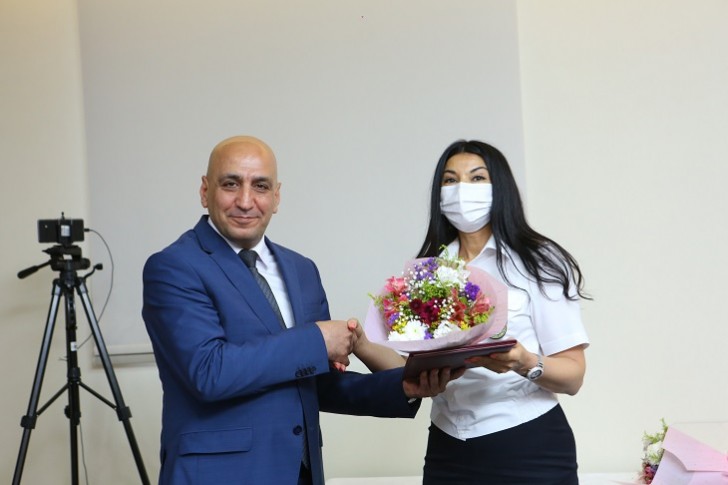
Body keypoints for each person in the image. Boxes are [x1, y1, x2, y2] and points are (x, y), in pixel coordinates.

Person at [142, 135, 462, 485]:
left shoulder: (301, 270)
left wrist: (403, 387)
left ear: (276, 197)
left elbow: (314, 384)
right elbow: (208, 372)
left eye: (260, 186)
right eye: (230, 184)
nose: (245, 201)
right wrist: (317, 339)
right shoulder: (173, 267)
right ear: (205, 191)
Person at [354, 139, 590, 484]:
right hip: (448, 446)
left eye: (477, 178)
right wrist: (361, 343)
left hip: (528, 443)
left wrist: (523, 361)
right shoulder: (428, 271)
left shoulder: (538, 261)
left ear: (500, 188)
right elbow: (408, 369)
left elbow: (573, 376)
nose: (462, 189)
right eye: (450, 180)